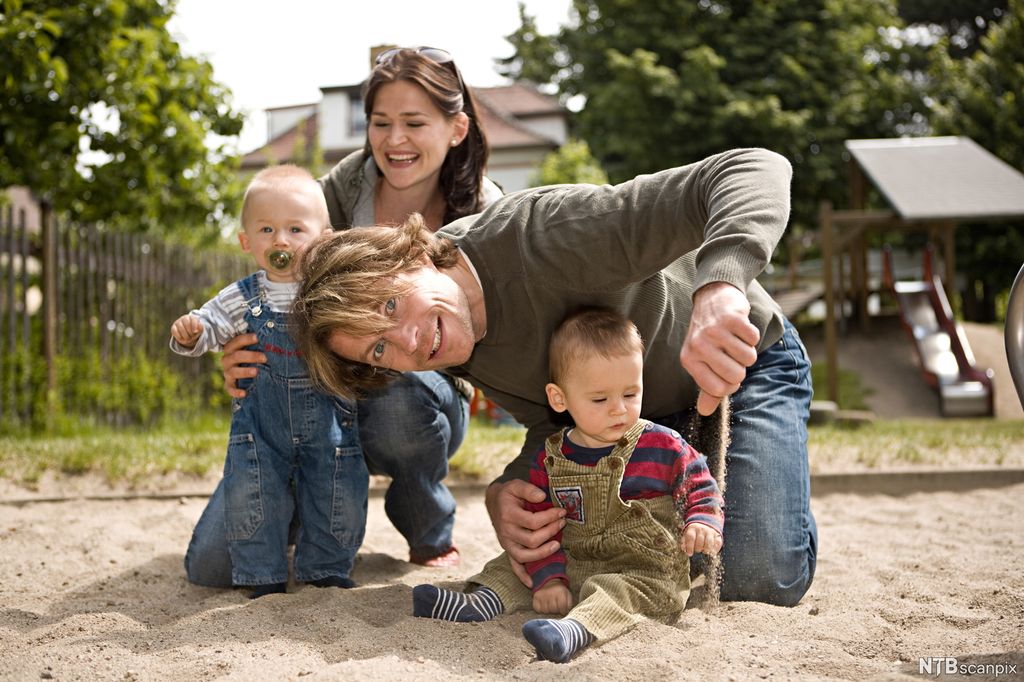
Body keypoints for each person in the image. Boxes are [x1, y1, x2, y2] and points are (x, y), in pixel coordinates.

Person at [292, 146, 818, 607]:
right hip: (631, 421)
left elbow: (752, 167)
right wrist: (508, 489)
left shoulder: (547, 233)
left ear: (410, 254)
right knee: (619, 565)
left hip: (747, 366)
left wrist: (721, 287)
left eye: (389, 304)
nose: (406, 341)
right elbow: (553, 416)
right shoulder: (444, 338)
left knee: (756, 576)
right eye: (379, 348)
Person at [185, 47, 502, 587]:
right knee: (215, 564)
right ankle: (306, 510)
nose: (394, 139)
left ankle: (426, 522)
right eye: (380, 123)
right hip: (312, 400)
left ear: (456, 128)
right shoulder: (335, 194)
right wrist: (238, 347)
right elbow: (272, 274)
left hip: (421, 398)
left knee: (400, 394)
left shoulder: (486, 214)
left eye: (413, 123)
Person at [411, 308, 724, 663]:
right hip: (573, 561)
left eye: (630, 393)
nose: (618, 410)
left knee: (615, 592)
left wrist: (702, 520)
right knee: (512, 565)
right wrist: (548, 579)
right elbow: (540, 526)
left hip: (643, 572)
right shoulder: (553, 456)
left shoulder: (662, 445)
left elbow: (700, 482)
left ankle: (576, 629)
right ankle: (478, 603)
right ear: (560, 399)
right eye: (600, 399)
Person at [172, 165, 367, 598]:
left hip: (329, 426)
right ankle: (263, 576)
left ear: (324, 238)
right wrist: (193, 332)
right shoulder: (242, 296)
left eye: (296, 229)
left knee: (335, 492)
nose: (281, 240)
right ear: (246, 241)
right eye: (267, 229)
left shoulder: (333, 292)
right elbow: (211, 324)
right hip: (262, 430)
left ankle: (326, 572)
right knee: (253, 493)